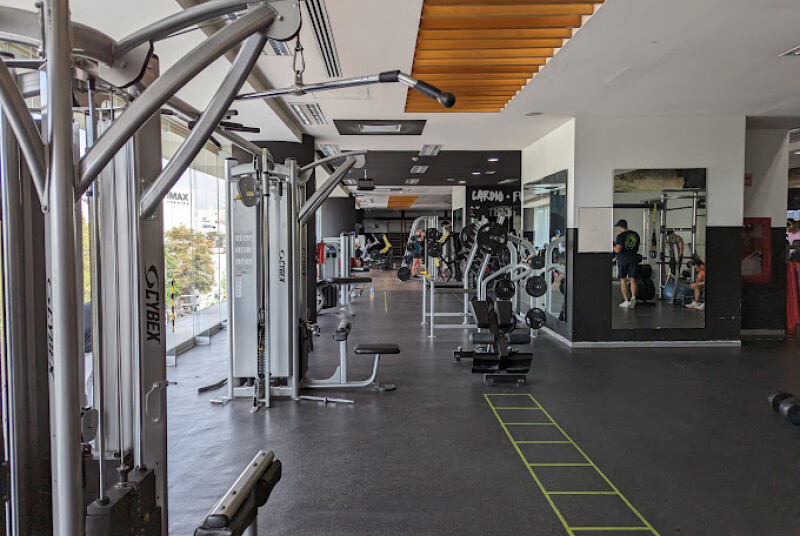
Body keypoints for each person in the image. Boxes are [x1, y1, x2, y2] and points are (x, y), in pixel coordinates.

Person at [613, 219, 641, 309]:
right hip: (633, 259)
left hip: (623, 260)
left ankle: (626, 301)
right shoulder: (635, 234)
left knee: (623, 280)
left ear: (620, 227)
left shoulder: (620, 236)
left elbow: (617, 249)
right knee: (632, 279)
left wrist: (611, 246)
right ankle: (633, 298)